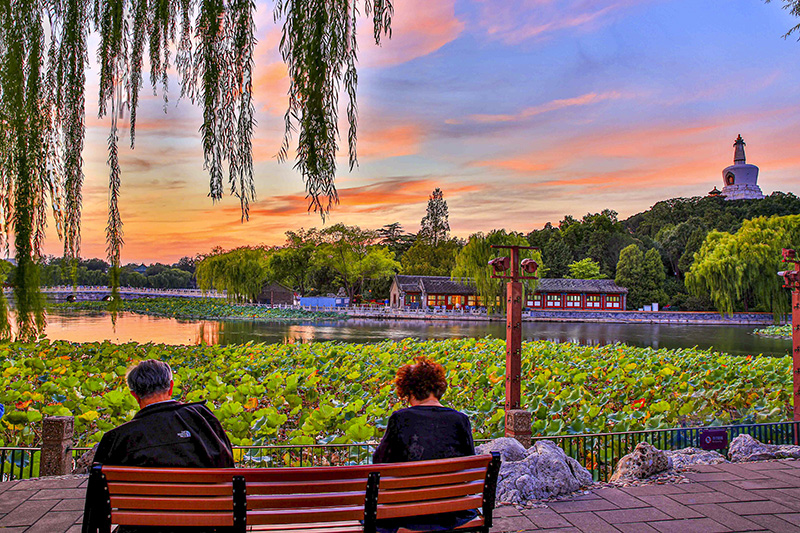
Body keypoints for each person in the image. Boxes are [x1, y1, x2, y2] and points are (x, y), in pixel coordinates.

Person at [372, 356, 476, 532]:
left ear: (409, 391)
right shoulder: (460, 420)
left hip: (406, 513)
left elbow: (379, 462)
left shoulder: (400, 419)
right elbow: (469, 464)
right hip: (450, 512)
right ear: (438, 388)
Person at [93, 359, 233, 468]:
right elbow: (227, 464)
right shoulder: (202, 418)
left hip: (143, 498)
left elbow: (99, 489)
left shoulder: (116, 439)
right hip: (204, 498)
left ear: (135, 395)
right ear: (171, 387)